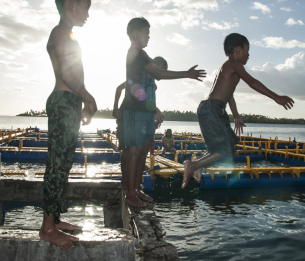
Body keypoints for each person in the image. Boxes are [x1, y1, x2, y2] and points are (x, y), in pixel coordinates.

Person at [182, 33, 294, 189]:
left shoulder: (226, 67)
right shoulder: (234, 64)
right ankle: (192, 165)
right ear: (238, 50)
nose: (249, 55)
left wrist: (236, 116)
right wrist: (276, 97)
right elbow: (252, 81)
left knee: (230, 144)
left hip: (211, 108)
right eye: (247, 50)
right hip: (213, 108)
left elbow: (229, 95)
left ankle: (198, 162)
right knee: (226, 150)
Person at [120, 17, 206, 207]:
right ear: (135, 32)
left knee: (142, 149)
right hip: (134, 110)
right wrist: (187, 74)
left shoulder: (142, 54)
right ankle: (130, 193)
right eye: (146, 32)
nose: (149, 36)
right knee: (134, 150)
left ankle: (136, 188)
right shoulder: (136, 53)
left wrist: (153, 108)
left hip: (143, 110)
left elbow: (153, 79)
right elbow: (159, 74)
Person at [39, 0, 97, 251]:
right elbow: (65, 73)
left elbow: (74, 74)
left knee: (64, 165)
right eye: (85, 8)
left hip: (70, 101)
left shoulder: (69, 34)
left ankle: (56, 219)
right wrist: (88, 97)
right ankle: (47, 227)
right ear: (70, 6)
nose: (87, 14)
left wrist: (82, 100)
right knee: (57, 164)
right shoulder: (60, 32)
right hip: (63, 101)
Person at [112, 56, 167, 191]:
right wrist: (115, 108)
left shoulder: (153, 84)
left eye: (163, 70)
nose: (160, 73)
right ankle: (125, 181)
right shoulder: (138, 76)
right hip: (128, 114)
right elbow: (120, 89)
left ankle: (135, 185)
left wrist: (155, 110)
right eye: (160, 69)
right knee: (127, 148)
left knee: (142, 148)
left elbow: (148, 100)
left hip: (142, 115)